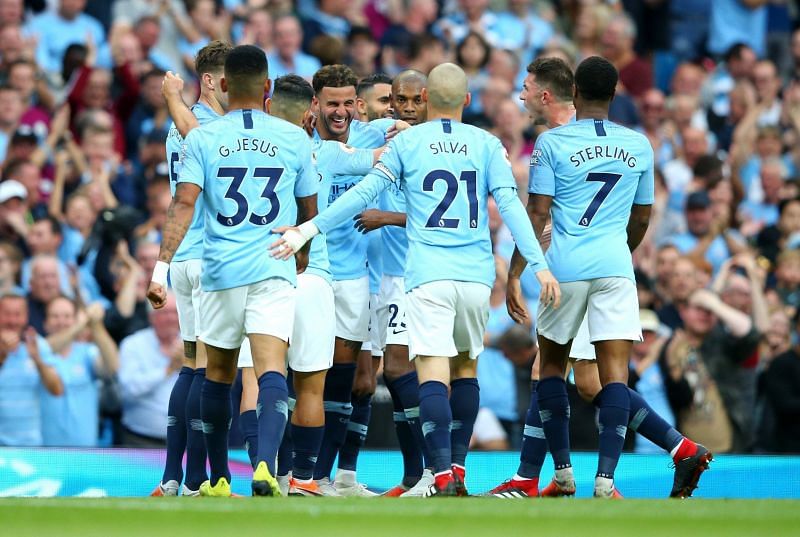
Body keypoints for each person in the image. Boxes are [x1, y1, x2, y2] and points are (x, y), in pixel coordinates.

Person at [273, 62, 559, 497]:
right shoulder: (488, 144)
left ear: (426, 100)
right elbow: (513, 207)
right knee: (465, 369)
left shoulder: (408, 144)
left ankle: (438, 474)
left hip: (426, 274)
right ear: (466, 100)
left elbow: (362, 193)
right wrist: (538, 265)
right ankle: (455, 470)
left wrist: (307, 229)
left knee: (428, 373)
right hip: (477, 275)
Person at [522, 56, 711, 498]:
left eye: (527, 88)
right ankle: (677, 449)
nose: (521, 96)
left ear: (550, 95)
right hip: (608, 267)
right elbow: (640, 214)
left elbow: (545, 209)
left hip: (574, 267)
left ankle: (534, 476)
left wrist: (535, 254)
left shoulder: (560, 139)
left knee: (561, 371)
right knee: (591, 380)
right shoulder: (629, 142)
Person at [147, 44, 318, 498]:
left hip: (220, 269)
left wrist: (160, 267)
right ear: (267, 88)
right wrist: (301, 247)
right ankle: (265, 465)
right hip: (272, 264)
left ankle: (219, 478)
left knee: (215, 372)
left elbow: (184, 203)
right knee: (271, 370)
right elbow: (309, 209)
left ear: (223, 84)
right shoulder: (294, 137)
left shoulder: (201, 137)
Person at [150, 40, 232, 498]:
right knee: (210, 370)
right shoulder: (206, 126)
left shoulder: (176, 128)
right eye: (227, 81)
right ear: (208, 81)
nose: (233, 89)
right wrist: (174, 98)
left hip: (184, 257)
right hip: (208, 258)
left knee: (191, 363)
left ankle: (172, 477)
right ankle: (200, 479)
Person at [307, 64, 385, 496]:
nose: (340, 113)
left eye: (346, 104)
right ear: (315, 103)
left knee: (345, 374)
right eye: (331, 103)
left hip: (355, 275)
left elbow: (407, 124)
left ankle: (325, 476)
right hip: (310, 271)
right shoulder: (300, 142)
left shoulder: (372, 134)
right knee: (303, 371)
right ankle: (294, 470)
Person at [357, 69, 433, 497]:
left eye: (409, 100)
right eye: (394, 101)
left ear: (426, 99)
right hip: (385, 276)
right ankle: (413, 475)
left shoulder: (431, 149)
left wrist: (385, 218)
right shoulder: (387, 143)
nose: (402, 108)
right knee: (392, 375)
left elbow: (440, 214)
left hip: (417, 275)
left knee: (405, 371)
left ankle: (437, 470)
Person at [42, 298, 118, 446]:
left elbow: (112, 366)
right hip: (44, 451)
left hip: (84, 450)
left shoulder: (87, 351)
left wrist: (96, 325)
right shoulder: (38, 349)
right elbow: (47, 348)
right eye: (55, 316)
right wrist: (81, 323)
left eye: (67, 316)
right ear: (45, 323)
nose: (61, 321)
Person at [118, 292, 182, 447]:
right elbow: (128, 390)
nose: (171, 318)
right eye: (165, 313)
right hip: (140, 441)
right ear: (151, 316)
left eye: (175, 313)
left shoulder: (193, 344)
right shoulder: (133, 344)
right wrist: (167, 370)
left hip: (185, 442)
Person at [0, 293, 63, 446]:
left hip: (30, 445)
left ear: (26, 316)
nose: (12, 320)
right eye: (7, 314)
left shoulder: (38, 344)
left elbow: (56, 390)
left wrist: (37, 359)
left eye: (17, 314)